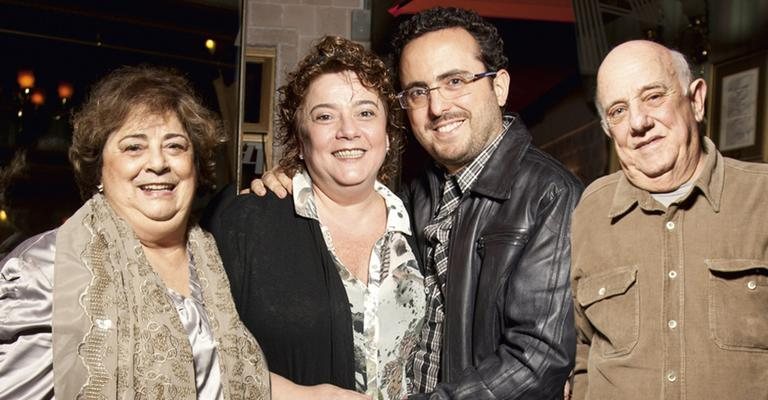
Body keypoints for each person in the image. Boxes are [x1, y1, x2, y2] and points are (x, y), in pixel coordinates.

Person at [253, 7, 582, 399]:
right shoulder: (416, 194)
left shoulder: (550, 195)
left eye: (456, 81)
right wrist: (296, 176)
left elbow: (537, 359)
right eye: (418, 91)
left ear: (499, 87)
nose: (437, 107)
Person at [0, 66, 270, 399]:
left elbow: (224, 375)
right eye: (133, 148)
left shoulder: (217, 260)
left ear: (196, 166)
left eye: (175, 146)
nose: (158, 163)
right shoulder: (43, 271)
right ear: (98, 167)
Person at [208, 36, 426, 400]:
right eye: (325, 116)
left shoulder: (422, 222)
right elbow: (200, 353)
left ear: (388, 135)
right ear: (301, 139)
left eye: (366, 112)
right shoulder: (246, 224)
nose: (348, 130)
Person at [570, 40, 768, 400]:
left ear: (696, 100)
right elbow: (583, 348)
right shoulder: (591, 212)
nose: (638, 122)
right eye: (617, 110)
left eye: (653, 96)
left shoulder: (761, 198)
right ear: (607, 129)